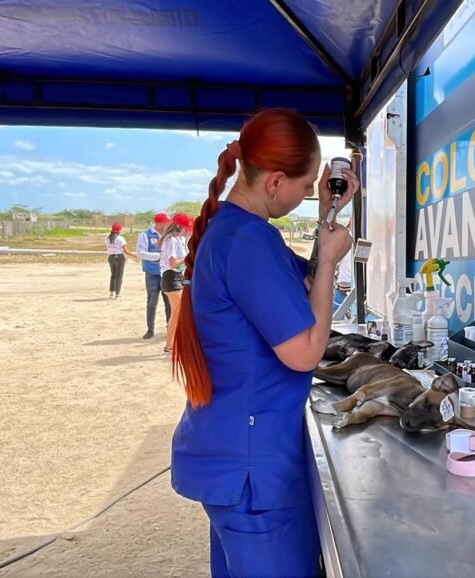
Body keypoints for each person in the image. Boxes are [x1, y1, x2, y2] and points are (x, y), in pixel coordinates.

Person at [169, 108, 356, 578]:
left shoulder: (241, 233)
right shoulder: (247, 241)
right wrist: (333, 262)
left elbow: (302, 292)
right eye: (306, 184)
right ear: (274, 182)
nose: (308, 194)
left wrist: (328, 220)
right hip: (253, 470)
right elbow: (305, 351)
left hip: (239, 456)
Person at [159, 212, 193, 354]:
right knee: (177, 312)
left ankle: (172, 344)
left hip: (178, 276)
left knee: (179, 311)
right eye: (186, 228)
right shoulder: (171, 240)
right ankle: (171, 344)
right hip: (171, 277)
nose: (187, 230)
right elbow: (173, 263)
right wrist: (187, 256)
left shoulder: (179, 240)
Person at [137, 213, 173, 339]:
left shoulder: (168, 235)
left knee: (168, 302)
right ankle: (150, 329)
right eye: (166, 223)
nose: (168, 225)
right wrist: (158, 257)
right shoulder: (145, 235)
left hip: (165, 273)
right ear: (160, 223)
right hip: (152, 273)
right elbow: (140, 253)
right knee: (152, 302)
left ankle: (170, 328)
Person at [105, 223, 135, 300]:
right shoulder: (120, 238)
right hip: (119, 257)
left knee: (113, 275)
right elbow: (126, 251)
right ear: (119, 230)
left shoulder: (107, 238)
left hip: (111, 257)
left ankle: (112, 292)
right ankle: (118, 294)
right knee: (119, 276)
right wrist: (134, 255)